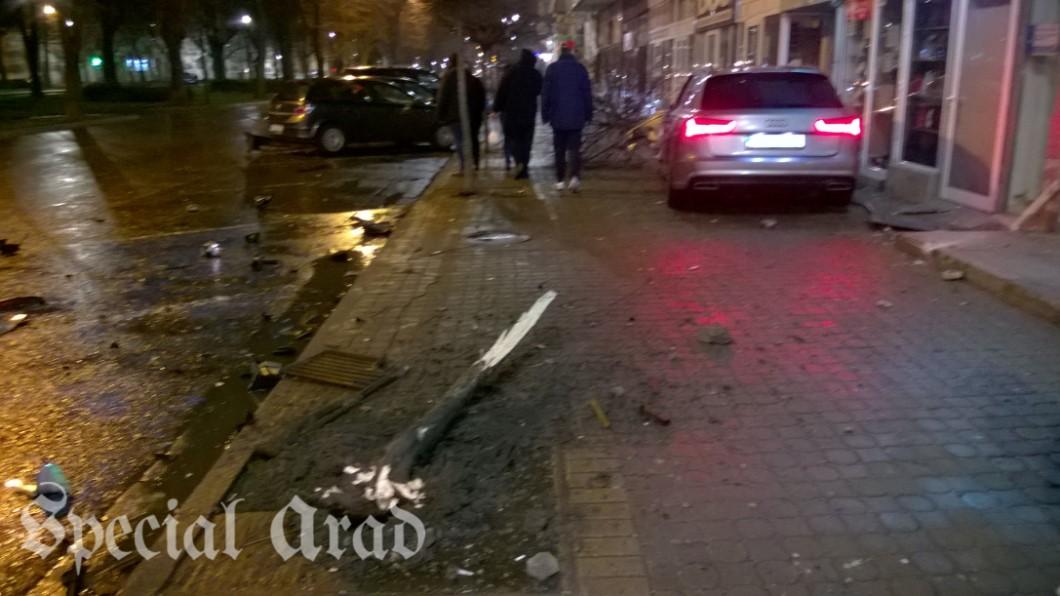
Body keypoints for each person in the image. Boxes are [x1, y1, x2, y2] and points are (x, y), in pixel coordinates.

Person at [542, 40, 593, 192]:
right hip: (576, 116)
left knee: (559, 150)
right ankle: (575, 177)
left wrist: (545, 114)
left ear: (560, 52)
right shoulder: (580, 69)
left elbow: (546, 94)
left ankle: (559, 181)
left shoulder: (552, 69)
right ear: (572, 52)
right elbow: (587, 94)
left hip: (557, 116)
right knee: (574, 149)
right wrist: (588, 113)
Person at [494, 49, 543, 180]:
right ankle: (524, 167)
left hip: (513, 113)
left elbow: (502, 90)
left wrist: (497, 108)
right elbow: (539, 90)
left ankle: (518, 162)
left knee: (516, 140)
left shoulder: (511, 73)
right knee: (527, 141)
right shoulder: (535, 74)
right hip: (529, 113)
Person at [437, 54, 486, 172]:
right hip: (472, 115)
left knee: (459, 141)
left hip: (455, 116)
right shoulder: (471, 78)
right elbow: (481, 97)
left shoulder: (448, 78)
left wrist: (440, 114)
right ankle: (474, 162)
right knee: (471, 139)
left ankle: (464, 166)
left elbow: (443, 98)